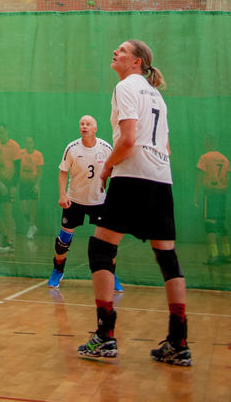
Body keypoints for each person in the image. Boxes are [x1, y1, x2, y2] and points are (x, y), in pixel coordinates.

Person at [77, 39, 191, 367]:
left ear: (137, 62)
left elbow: (128, 141)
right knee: (167, 256)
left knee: (101, 249)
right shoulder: (156, 95)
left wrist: (108, 167)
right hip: (161, 177)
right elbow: (165, 147)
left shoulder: (126, 87)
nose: (116, 53)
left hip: (133, 176)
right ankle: (179, 342)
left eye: (123, 50)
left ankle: (105, 336)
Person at [48, 115, 121, 291]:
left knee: (108, 243)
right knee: (62, 242)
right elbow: (63, 172)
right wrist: (62, 194)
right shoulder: (72, 148)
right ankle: (58, 271)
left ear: (95, 128)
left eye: (88, 124)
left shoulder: (105, 148)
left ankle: (111, 275)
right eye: (82, 124)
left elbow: (115, 170)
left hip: (99, 201)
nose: (84, 126)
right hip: (75, 200)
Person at [195, 136, 231, 265]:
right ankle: (227, 254)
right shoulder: (225, 159)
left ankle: (214, 255)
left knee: (209, 223)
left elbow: (200, 177)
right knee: (221, 223)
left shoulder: (205, 157)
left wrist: (196, 196)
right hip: (222, 193)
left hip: (210, 194)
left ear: (207, 143)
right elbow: (228, 179)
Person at [0, 123, 21, 254]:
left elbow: (18, 167)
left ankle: (10, 242)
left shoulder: (14, 146)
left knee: (7, 211)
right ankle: (5, 232)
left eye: (2, 132)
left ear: (7, 132)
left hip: (8, 183)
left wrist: (14, 185)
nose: (0, 134)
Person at [17, 135, 44, 239]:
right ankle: (33, 225)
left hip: (33, 184)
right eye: (27, 142)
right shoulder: (20, 153)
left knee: (32, 208)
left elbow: (40, 171)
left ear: (33, 143)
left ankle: (31, 227)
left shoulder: (38, 155)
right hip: (23, 183)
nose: (28, 144)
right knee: (24, 209)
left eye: (30, 142)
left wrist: (37, 185)